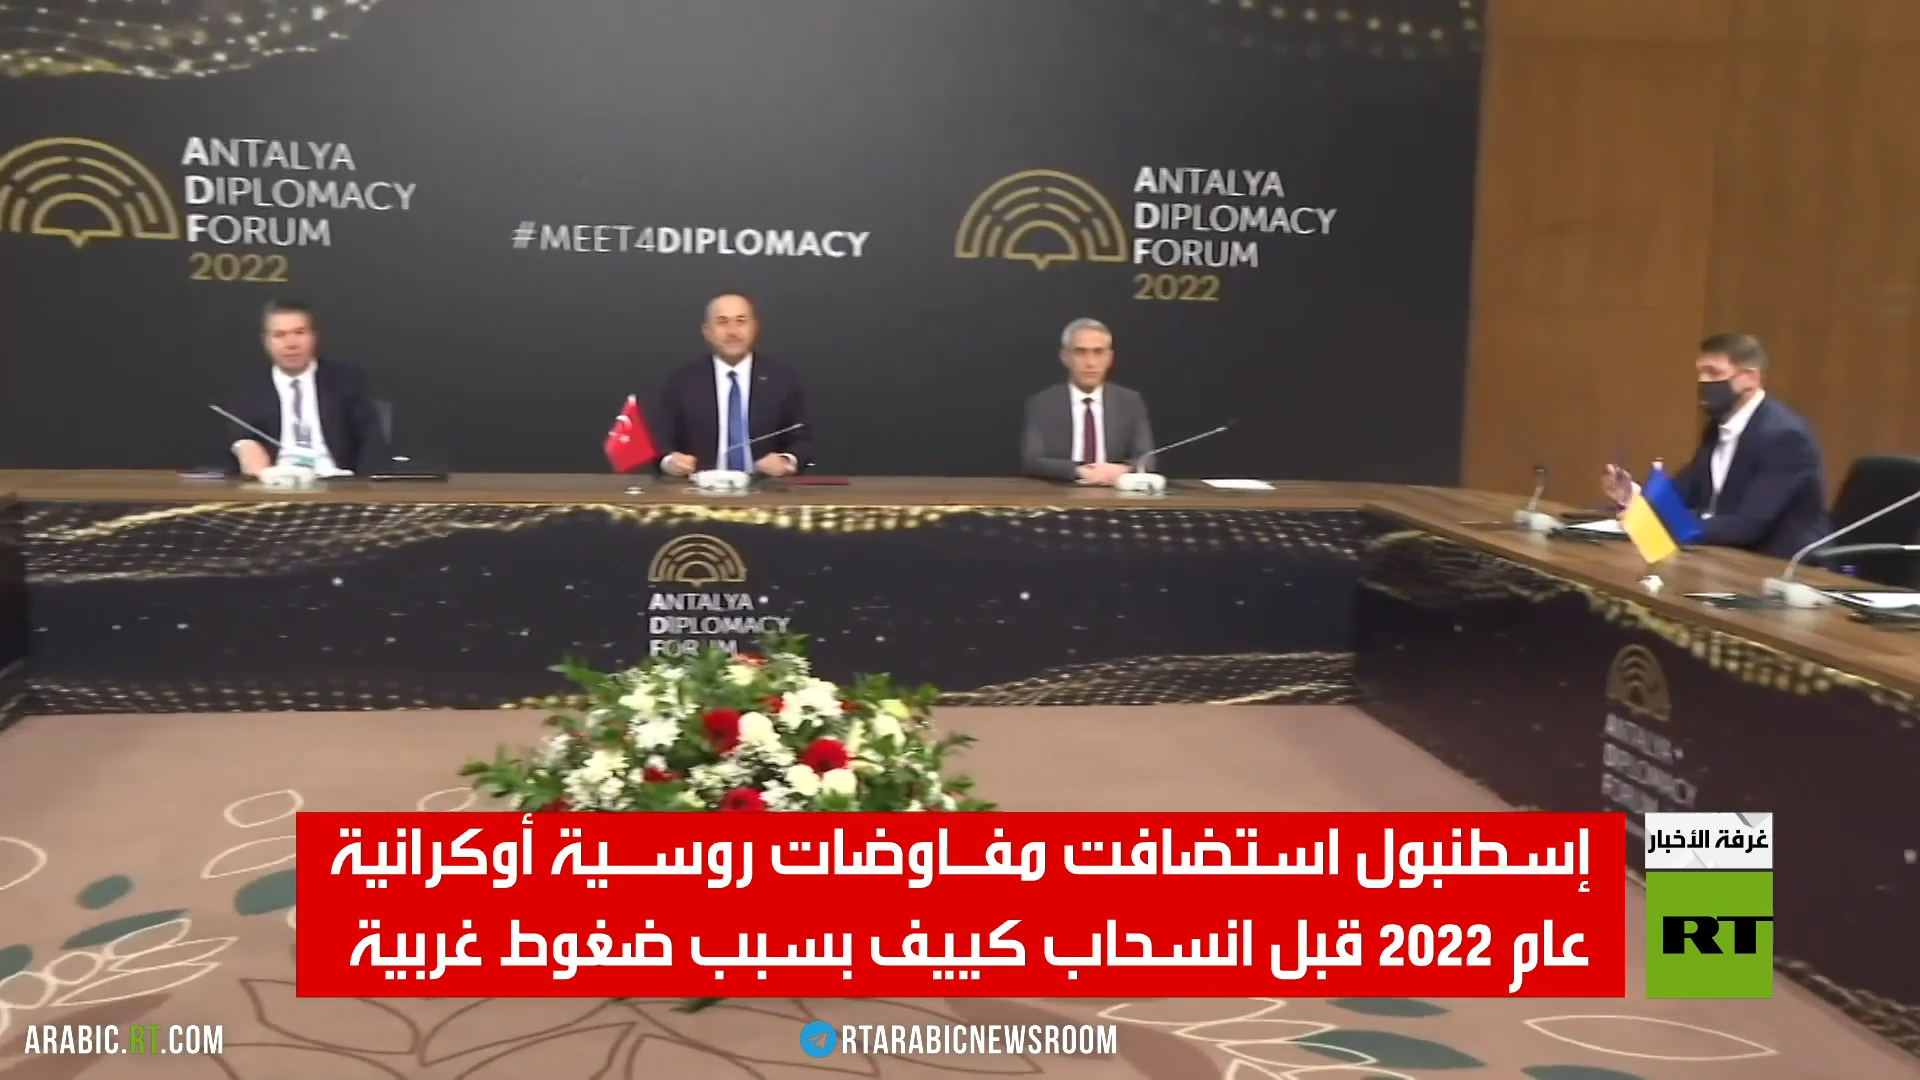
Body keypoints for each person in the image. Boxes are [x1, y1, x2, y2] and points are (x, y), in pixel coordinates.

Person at [1601, 333, 1829, 558]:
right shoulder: (1718, 427)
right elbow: (1681, 493)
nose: (1703, 381)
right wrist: (1634, 497)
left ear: (1751, 378)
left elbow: (1747, 525)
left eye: (1714, 372)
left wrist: (1664, 522)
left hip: (1775, 563)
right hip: (1721, 553)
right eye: (1700, 372)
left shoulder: (1785, 438)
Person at [224, 299, 385, 478]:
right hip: (276, 483)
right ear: (266, 341)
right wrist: (244, 447)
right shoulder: (248, 389)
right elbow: (240, 435)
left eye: (299, 332)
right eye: (279, 335)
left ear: (314, 336)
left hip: (337, 482)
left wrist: (364, 486)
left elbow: (372, 442)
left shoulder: (347, 382)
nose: (291, 343)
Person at [655, 293, 811, 476]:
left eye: (741, 321)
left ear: (754, 328)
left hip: (765, 487)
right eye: (722, 322)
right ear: (707, 332)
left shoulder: (782, 379)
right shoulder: (683, 380)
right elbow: (660, 441)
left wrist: (785, 461)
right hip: (699, 487)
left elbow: (803, 440)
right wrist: (670, 461)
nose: (732, 331)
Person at [1021, 318, 1156, 485]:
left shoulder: (1129, 402)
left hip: (1114, 491)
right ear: (1065, 357)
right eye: (1080, 352)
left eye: (1098, 352)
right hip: (1062, 490)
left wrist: (1121, 470)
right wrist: (1078, 471)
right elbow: (1031, 461)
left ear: (1109, 358)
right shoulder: (1043, 402)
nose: (1090, 363)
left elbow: (1147, 459)